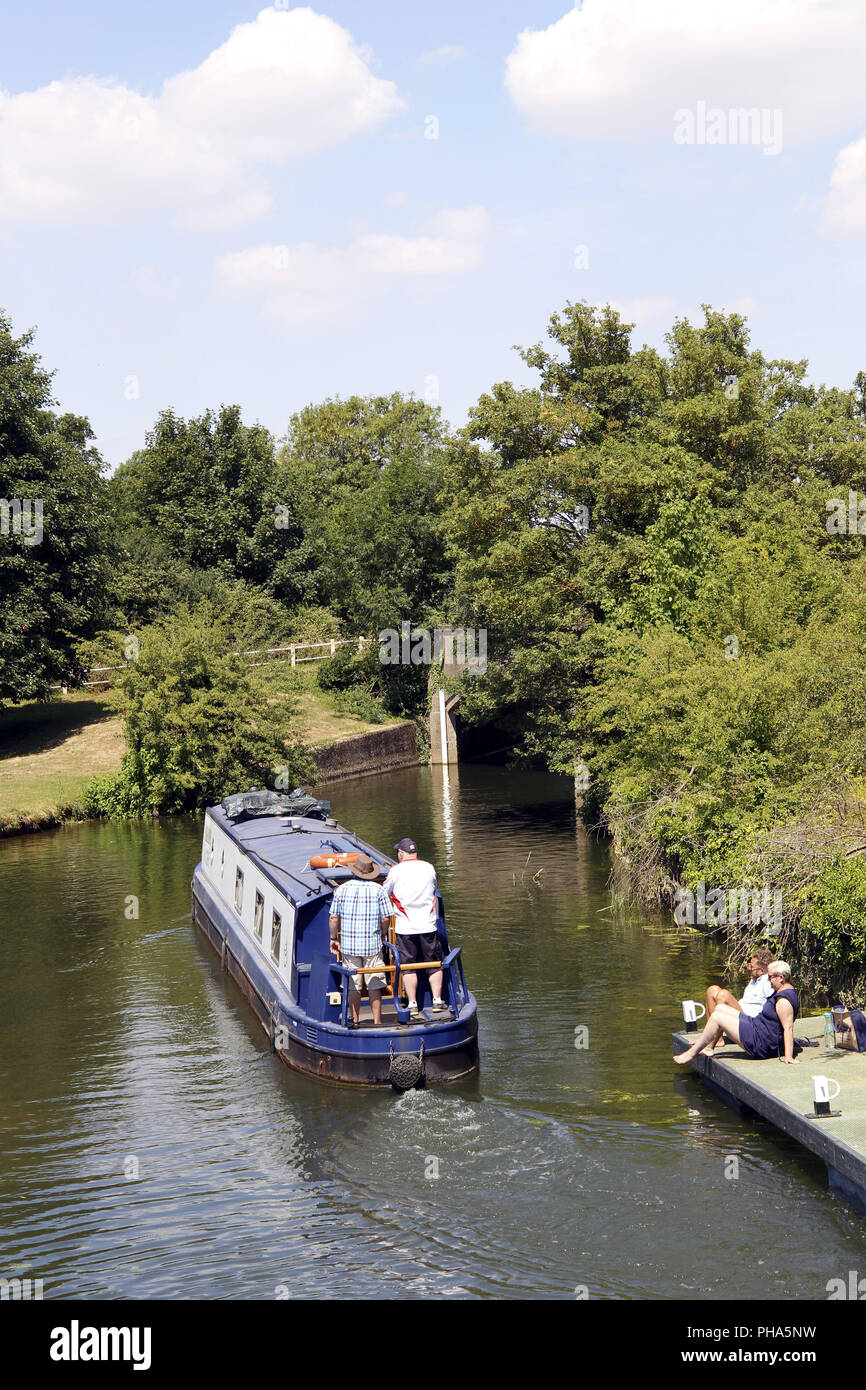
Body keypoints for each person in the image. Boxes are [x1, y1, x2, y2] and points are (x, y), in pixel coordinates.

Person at [674, 961, 800, 1064]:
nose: (768, 980)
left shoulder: (784, 1000)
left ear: (781, 978)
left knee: (717, 1017)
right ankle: (708, 1048)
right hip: (757, 1027)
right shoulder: (781, 990)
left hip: (761, 1043)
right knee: (720, 1009)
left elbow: (788, 1028)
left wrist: (788, 1057)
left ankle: (692, 1053)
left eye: (770, 977)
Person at [382, 837, 446, 1018]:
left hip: (405, 928)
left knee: (408, 967)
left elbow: (384, 893)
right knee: (434, 964)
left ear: (401, 854)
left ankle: (412, 1004)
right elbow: (434, 889)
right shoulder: (429, 867)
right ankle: (437, 1000)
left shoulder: (395, 871)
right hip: (428, 925)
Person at [329, 854, 391, 1027]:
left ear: (355, 871)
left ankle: (355, 1021)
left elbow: (334, 917)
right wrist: (383, 935)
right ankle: (377, 1022)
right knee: (374, 984)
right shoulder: (379, 890)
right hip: (372, 945)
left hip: (348, 946)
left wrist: (333, 938)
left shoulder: (342, 889)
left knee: (353, 985)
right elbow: (386, 918)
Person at [704, 949, 774, 1051]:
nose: (748, 968)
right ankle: (710, 1037)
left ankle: (716, 1039)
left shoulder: (768, 982)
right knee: (712, 990)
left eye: (751, 966)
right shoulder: (754, 980)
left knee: (723, 995)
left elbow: (775, 1004)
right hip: (741, 1015)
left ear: (762, 971)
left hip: (750, 1023)